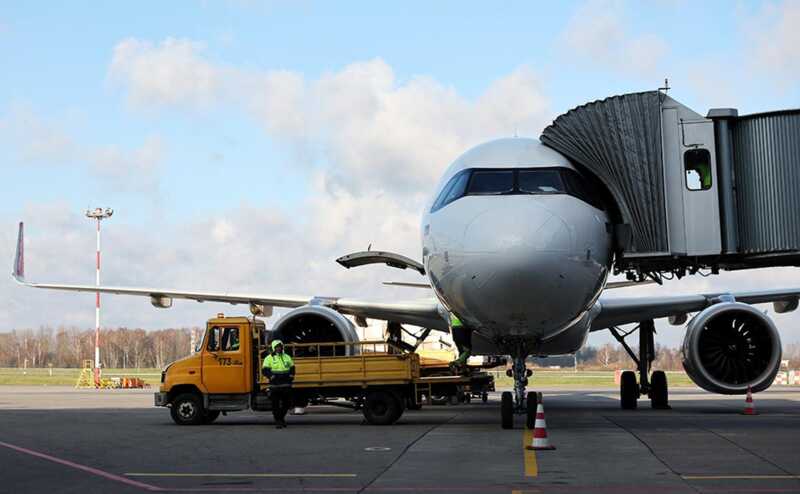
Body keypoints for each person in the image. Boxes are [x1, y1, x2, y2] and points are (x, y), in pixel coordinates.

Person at [262, 339, 295, 428]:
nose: (278, 348)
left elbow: (292, 367)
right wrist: (270, 376)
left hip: (286, 384)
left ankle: (280, 418)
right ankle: (279, 421)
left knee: (287, 403)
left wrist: (292, 375)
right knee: (275, 405)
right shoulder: (268, 358)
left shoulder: (287, 357)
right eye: (276, 347)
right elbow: (264, 370)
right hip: (275, 385)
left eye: (280, 347)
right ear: (273, 348)